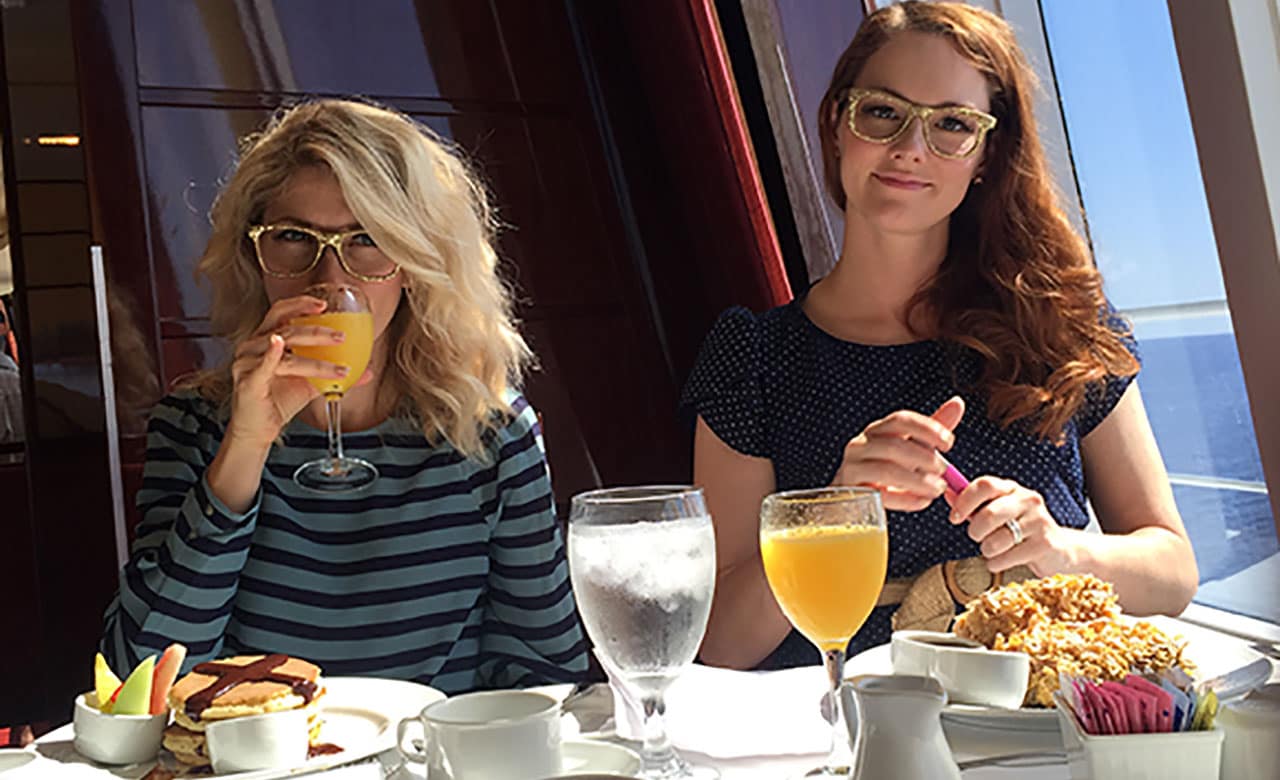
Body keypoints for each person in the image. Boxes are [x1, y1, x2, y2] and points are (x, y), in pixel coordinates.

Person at [683, 1, 1197, 671]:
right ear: (838, 123)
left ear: (987, 155)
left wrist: (1060, 550)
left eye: (952, 124)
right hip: (845, 742)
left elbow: (1173, 569)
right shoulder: (750, 357)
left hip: (1043, 726)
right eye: (882, 112)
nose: (909, 148)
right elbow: (714, 645)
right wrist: (831, 518)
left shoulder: (1064, 324)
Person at [101, 99, 589, 693]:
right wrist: (247, 447)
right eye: (291, 237)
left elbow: (546, 674)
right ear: (255, 259)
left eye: (365, 240)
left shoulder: (489, 432)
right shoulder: (196, 425)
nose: (329, 278)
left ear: (414, 261)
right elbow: (139, 678)